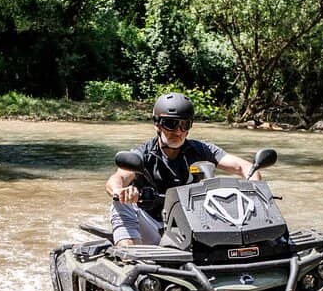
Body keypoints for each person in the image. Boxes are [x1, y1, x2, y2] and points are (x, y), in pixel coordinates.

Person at [105, 92, 261, 246]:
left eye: (184, 124)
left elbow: (244, 167)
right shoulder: (143, 154)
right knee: (119, 204)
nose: (178, 131)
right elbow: (118, 178)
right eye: (171, 124)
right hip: (153, 226)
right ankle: (130, 256)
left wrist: (256, 192)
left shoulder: (202, 150)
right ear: (157, 124)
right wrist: (120, 192)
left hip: (192, 226)